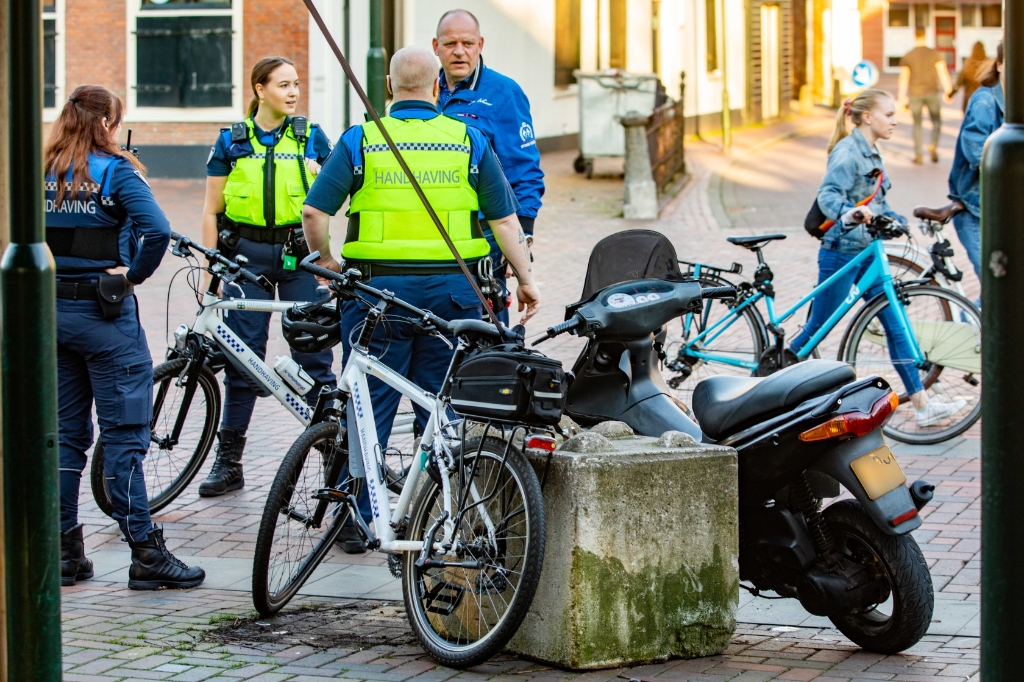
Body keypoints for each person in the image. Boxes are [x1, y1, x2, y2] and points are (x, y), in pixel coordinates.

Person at [302, 45, 540, 552]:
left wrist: (325, 262)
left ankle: (356, 518)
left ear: (389, 88)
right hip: (452, 300)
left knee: (368, 405)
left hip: (375, 296)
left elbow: (314, 214)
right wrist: (525, 278)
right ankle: (444, 508)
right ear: (438, 88)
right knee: (441, 405)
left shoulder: (361, 140)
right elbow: (503, 222)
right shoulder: (468, 140)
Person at [47, 85, 205, 589]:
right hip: (104, 315)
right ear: (108, 125)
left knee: (66, 436)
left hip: (52, 314)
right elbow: (156, 232)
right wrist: (131, 276)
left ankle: (65, 549)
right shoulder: (117, 172)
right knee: (125, 435)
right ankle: (145, 552)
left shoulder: (43, 170)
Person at [199, 56, 336, 497]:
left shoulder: (312, 137)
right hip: (246, 256)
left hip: (301, 255)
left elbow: (345, 197)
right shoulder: (231, 142)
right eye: (283, 85)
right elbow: (210, 211)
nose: (293, 92)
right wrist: (210, 270)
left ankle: (336, 463)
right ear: (260, 89)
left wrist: (324, 179)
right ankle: (229, 461)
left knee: (314, 358)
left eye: (296, 84)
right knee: (242, 360)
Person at [789, 89, 966, 427]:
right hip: (841, 251)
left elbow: (878, 204)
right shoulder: (847, 152)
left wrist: (897, 220)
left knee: (895, 323)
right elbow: (828, 195)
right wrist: (851, 213)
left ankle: (922, 404)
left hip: (868, 252)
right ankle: (770, 379)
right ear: (867, 117)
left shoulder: (872, 152)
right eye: (889, 114)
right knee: (816, 329)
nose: (895, 121)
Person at [433, 9, 545, 324]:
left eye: (467, 43)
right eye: (450, 43)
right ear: (435, 46)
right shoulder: (427, 91)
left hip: (485, 237)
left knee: (487, 330)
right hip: (432, 233)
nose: (458, 51)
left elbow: (525, 173)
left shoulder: (504, 93)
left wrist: (521, 242)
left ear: (480, 44)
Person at [948, 41, 1004, 282]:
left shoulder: (1013, 101)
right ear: (1000, 64)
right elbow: (977, 155)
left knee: (1005, 286)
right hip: (975, 209)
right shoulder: (985, 102)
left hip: (998, 208)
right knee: (995, 286)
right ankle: (970, 320)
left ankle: (971, 318)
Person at [897, 28, 953, 164]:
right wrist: (948, 91)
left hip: (915, 93)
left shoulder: (908, 55)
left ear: (914, 36)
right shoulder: (934, 54)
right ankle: (933, 144)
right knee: (936, 121)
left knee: (917, 124)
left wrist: (901, 97)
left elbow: (903, 78)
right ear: (926, 36)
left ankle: (918, 154)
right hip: (932, 91)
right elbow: (943, 73)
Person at [953, 41, 990, 113]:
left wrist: (951, 94)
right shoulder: (987, 64)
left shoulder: (968, 63)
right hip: (985, 98)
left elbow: (959, 82)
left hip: (970, 98)